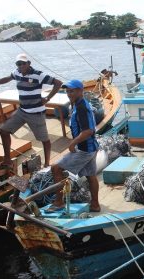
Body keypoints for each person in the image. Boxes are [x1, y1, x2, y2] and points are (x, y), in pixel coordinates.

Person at [0, 53, 62, 167]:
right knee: (3, 131)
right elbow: (7, 78)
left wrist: (47, 98)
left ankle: (47, 163)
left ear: (29, 63)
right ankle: (7, 160)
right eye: (18, 64)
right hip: (22, 111)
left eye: (23, 63)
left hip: (36, 113)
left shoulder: (38, 75)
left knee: (44, 140)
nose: (20, 66)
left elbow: (58, 83)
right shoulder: (17, 73)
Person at [48, 79, 100, 213]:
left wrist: (73, 143)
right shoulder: (77, 104)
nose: (69, 93)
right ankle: (95, 204)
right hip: (91, 147)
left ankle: (58, 202)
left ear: (81, 91)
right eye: (67, 91)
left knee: (56, 168)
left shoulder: (82, 107)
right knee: (90, 175)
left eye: (72, 91)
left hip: (85, 149)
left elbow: (88, 131)